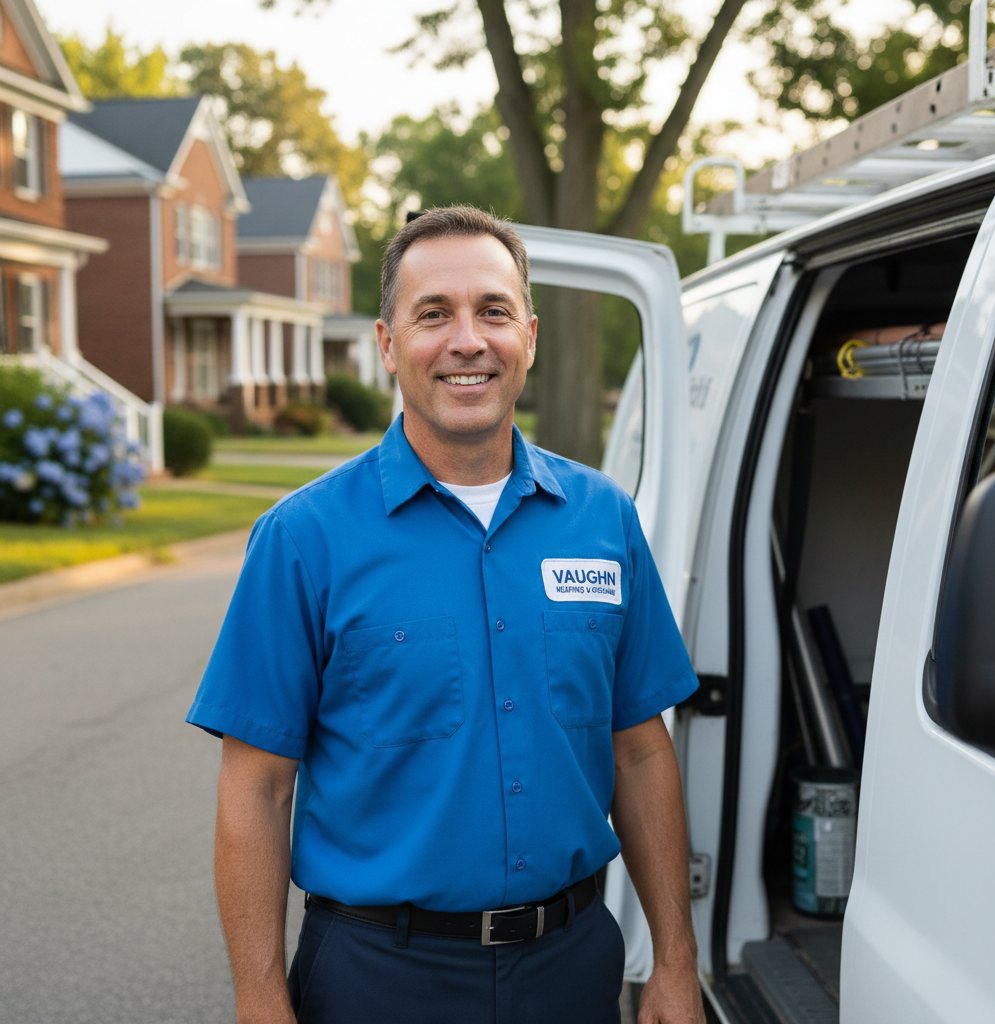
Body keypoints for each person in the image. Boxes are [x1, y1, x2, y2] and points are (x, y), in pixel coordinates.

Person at [187, 206, 706, 1024]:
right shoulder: (303, 539)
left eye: (493, 311)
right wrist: (260, 999)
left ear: (529, 336)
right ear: (389, 345)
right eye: (434, 315)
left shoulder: (604, 520)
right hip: (375, 980)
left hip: (571, 967)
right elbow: (256, 789)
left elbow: (641, 753)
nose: (468, 340)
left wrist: (676, 962)